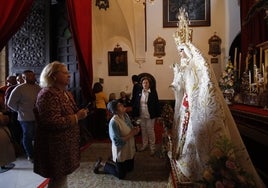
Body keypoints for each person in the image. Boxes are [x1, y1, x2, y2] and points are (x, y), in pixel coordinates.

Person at [169, 8, 265, 187]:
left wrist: (185, 77)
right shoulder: (187, 66)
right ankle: (188, 164)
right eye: (179, 51)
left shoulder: (197, 64)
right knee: (189, 139)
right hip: (187, 106)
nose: (180, 54)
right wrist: (177, 76)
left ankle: (201, 168)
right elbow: (182, 86)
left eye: (181, 50)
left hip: (195, 106)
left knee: (198, 139)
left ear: (188, 51)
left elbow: (201, 82)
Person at [33, 61, 89, 188]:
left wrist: (81, 113)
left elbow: (71, 113)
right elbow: (52, 122)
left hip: (66, 145)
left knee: (62, 178)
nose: (69, 75)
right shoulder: (47, 94)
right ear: (53, 76)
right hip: (55, 147)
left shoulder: (66, 93)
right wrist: (76, 117)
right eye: (64, 73)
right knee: (57, 179)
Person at [93, 99, 140, 179]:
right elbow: (117, 142)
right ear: (115, 111)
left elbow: (130, 127)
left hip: (129, 148)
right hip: (121, 150)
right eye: (119, 106)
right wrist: (131, 134)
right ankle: (102, 163)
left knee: (130, 169)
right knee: (121, 175)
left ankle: (114, 162)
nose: (122, 106)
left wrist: (135, 129)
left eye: (121, 104)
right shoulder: (113, 122)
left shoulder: (125, 116)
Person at [7, 70, 41, 162]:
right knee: (28, 136)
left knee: (37, 136)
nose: (33, 77)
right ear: (24, 77)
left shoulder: (38, 87)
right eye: (30, 76)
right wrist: (19, 110)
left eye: (33, 75)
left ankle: (35, 153)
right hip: (25, 117)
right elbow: (10, 103)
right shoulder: (19, 89)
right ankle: (30, 155)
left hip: (37, 117)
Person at [132, 76, 160, 156]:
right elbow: (136, 103)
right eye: (144, 83)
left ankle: (152, 148)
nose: (145, 84)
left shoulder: (153, 92)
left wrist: (158, 115)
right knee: (143, 131)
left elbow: (157, 104)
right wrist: (135, 114)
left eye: (146, 82)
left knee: (150, 131)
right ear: (142, 84)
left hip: (150, 115)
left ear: (149, 84)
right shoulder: (139, 92)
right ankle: (144, 145)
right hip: (141, 115)